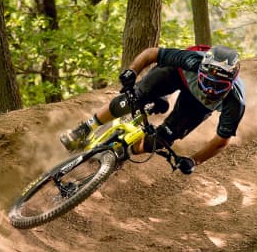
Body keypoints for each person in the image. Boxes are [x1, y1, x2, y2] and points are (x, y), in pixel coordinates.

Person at [59, 45, 245, 174]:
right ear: (200, 71)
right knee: (134, 98)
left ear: (231, 84)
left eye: (219, 86)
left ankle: (122, 154)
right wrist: (132, 71)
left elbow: (221, 141)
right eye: (207, 82)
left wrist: (194, 160)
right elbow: (152, 54)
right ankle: (84, 129)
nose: (211, 90)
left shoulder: (235, 103)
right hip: (176, 75)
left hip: (197, 106)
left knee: (161, 140)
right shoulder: (192, 60)